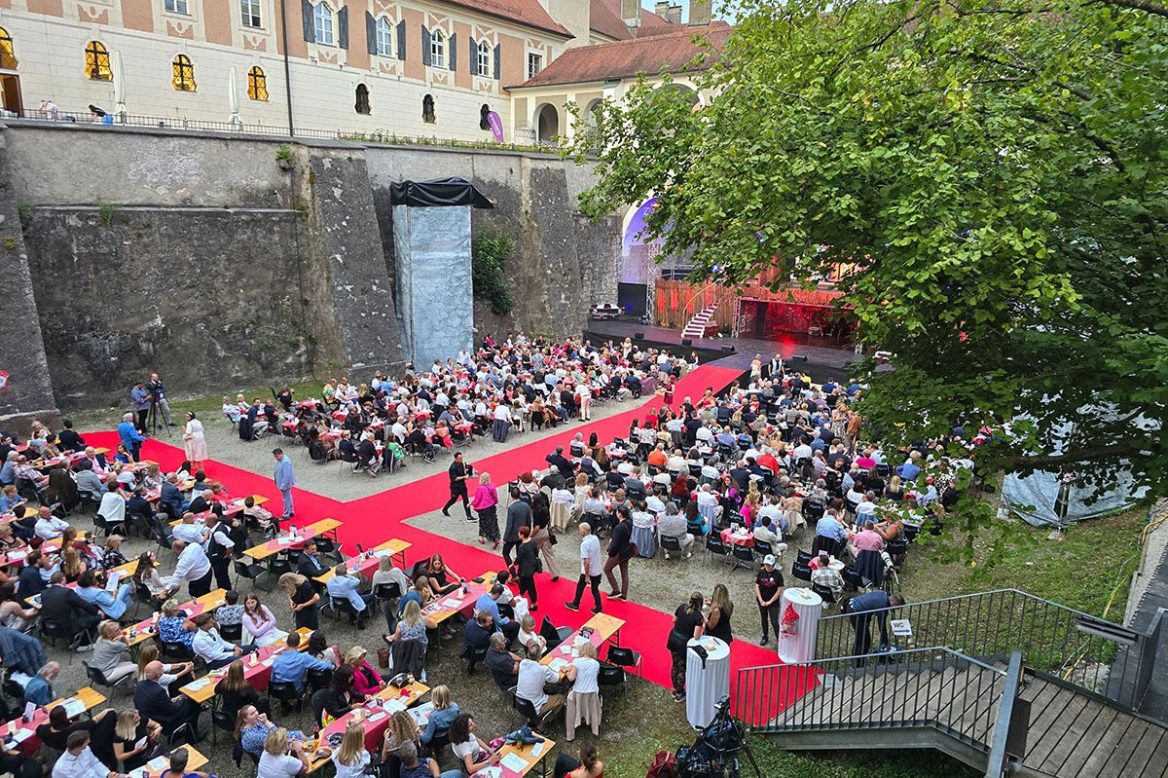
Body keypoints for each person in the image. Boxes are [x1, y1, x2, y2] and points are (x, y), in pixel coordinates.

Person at [133, 660, 199, 734]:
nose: (163, 668)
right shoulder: (158, 691)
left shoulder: (140, 685)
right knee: (194, 703)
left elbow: (161, 702)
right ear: (157, 675)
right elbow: (173, 709)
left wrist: (174, 699)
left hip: (152, 716)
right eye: (161, 668)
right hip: (166, 720)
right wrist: (183, 699)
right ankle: (191, 737)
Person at [40, 571, 100, 645]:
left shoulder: (44, 593)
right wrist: (97, 611)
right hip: (67, 628)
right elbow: (82, 604)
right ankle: (84, 644)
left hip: (50, 628)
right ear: (63, 579)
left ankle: (73, 641)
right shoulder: (67, 592)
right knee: (97, 617)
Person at [667, 592, 706, 702]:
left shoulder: (682, 607)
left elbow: (673, 619)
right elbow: (696, 636)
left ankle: (675, 688)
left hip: (673, 638)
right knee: (682, 668)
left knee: (674, 665)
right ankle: (679, 693)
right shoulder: (698, 616)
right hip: (682, 644)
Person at [847, 591, 905, 657]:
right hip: (855, 611)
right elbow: (882, 626)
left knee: (862, 636)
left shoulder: (884, 594)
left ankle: (857, 655)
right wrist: (886, 643)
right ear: (894, 603)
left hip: (854, 604)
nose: (895, 610)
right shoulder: (883, 606)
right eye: (896, 608)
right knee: (864, 639)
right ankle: (858, 661)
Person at [564, 640, 602, 741]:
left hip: (577, 694)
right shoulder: (596, 664)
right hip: (592, 694)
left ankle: (570, 735)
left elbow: (571, 678)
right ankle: (595, 727)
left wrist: (567, 671)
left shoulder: (576, 662)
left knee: (569, 698)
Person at [516, 640, 564, 718]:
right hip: (534, 707)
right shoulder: (543, 670)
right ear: (540, 656)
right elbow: (558, 679)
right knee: (561, 698)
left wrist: (540, 647)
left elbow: (534, 655)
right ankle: (543, 722)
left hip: (519, 702)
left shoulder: (523, 663)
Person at [564, 522, 604, 614]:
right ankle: (598, 606)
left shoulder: (584, 544)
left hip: (589, 571)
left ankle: (575, 604)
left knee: (580, 587)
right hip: (597, 569)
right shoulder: (595, 538)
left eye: (580, 530)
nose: (578, 532)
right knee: (595, 589)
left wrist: (586, 576)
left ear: (583, 532)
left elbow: (586, 562)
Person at [52, 730, 120, 778]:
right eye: (86, 743)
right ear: (79, 746)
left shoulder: (86, 749)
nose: (89, 742)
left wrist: (107, 774)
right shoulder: (61, 768)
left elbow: (95, 763)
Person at [326, 563, 373, 628]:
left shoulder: (329, 582)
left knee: (355, 595)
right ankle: (361, 620)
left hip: (340, 604)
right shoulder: (347, 581)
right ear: (345, 573)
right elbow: (357, 581)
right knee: (371, 596)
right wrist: (348, 575)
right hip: (352, 603)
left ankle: (352, 618)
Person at [603, 506, 634, 600]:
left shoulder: (619, 527)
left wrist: (610, 552)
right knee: (624, 572)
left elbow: (615, 544)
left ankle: (615, 590)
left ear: (619, 514)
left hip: (619, 552)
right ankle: (624, 594)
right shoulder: (629, 523)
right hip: (627, 551)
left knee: (607, 569)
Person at [755, 555, 784, 647]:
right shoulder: (761, 572)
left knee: (774, 621)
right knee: (764, 618)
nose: (767, 567)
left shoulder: (778, 575)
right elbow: (757, 585)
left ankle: (779, 638)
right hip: (762, 600)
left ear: (773, 565)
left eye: (769, 565)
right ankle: (765, 636)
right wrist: (761, 600)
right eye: (766, 565)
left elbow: (779, 590)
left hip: (773, 602)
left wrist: (770, 601)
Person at [397, 739, 462, 778]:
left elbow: (431, 761)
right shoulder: (419, 775)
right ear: (415, 754)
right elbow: (431, 763)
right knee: (458, 773)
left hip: (433, 775)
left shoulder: (404, 764)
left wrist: (435, 774)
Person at [502, 487, 531, 567]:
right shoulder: (526, 505)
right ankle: (521, 571)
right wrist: (527, 533)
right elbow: (529, 521)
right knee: (520, 553)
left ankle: (513, 572)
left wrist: (505, 538)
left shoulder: (511, 508)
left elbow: (509, 525)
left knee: (505, 553)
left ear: (511, 496)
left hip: (512, 535)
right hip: (522, 534)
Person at [515, 525, 541, 610]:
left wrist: (514, 563)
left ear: (522, 535)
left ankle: (534, 603)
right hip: (532, 565)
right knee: (527, 582)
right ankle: (522, 592)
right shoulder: (533, 541)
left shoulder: (522, 547)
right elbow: (536, 551)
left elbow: (519, 559)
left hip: (525, 568)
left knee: (529, 584)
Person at [471, 472, 500, 547]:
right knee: (493, 522)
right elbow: (495, 496)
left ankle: (482, 537)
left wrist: (473, 504)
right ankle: (495, 538)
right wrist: (495, 501)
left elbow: (477, 499)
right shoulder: (492, 487)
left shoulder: (480, 489)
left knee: (483, 522)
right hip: (491, 506)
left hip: (483, 508)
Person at [442, 452, 472, 519]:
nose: (461, 460)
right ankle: (445, 509)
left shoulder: (461, 464)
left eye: (462, 458)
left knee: (466, 500)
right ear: (456, 458)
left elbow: (462, 473)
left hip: (462, 485)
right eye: (460, 458)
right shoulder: (453, 468)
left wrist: (468, 473)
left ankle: (469, 516)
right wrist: (464, 477)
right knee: (453, 499)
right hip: (455, 487)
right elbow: (455, 478)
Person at [272, 449, 296, 519]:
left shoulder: (285, 462)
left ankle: (286, 515)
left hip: (285, 484)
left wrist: (283, 485)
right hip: (282, 483)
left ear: (281, 454)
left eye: (277, 456)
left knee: (286, 499)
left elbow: (286, 475)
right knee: (288, 497)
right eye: (275, 456)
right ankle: (291, 511)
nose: (276, 458)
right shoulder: (281, 460)